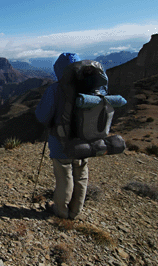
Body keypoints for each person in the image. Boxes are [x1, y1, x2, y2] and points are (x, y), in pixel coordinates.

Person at [35, 53, 94, 220]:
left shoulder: (55, 89)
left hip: (61, 143)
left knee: (64, 176)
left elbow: (42, 116)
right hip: (85, 142)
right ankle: (75, 212)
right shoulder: (90, 87)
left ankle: (61, 211)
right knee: (81, 176)